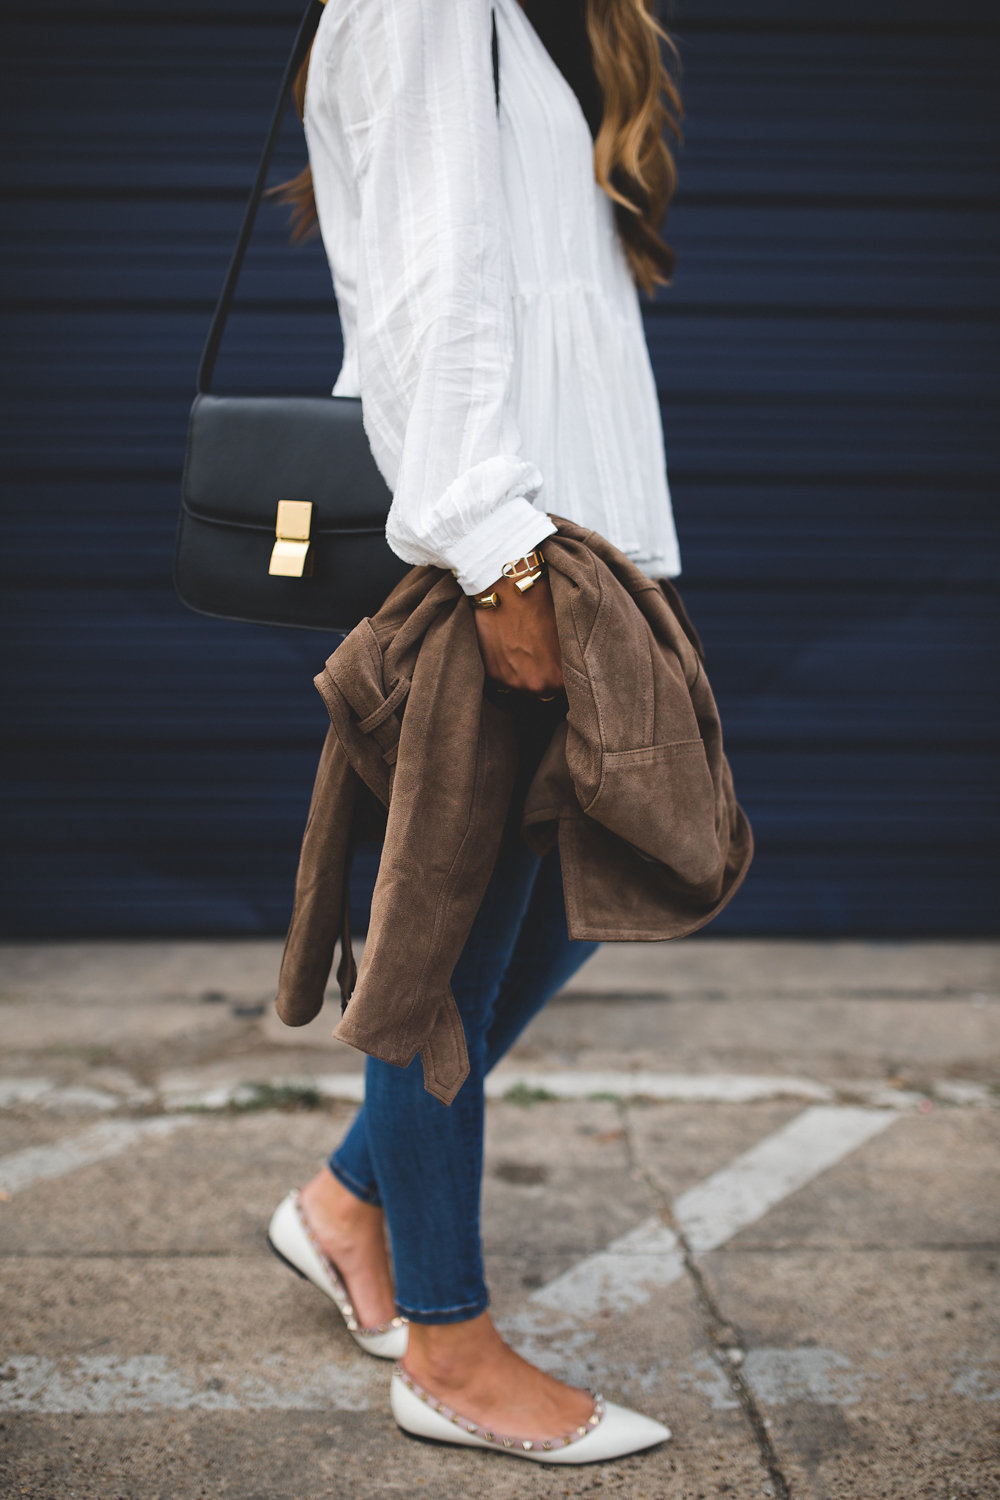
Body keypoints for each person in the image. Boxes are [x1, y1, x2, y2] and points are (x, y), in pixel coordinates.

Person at [267, 0, 686, 1465]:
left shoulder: (556, 17)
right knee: (445, 947)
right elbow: (427, 288)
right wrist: (498, 554)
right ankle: (445, 1345)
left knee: (568, 898)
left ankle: (344, 1203)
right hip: (504, 545)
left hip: (587, 537)